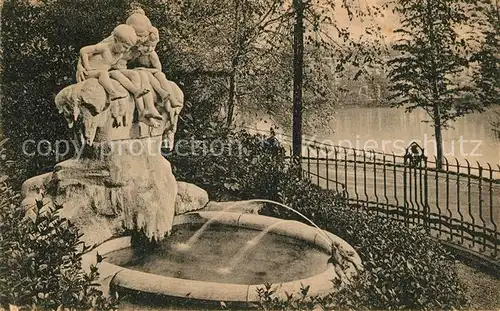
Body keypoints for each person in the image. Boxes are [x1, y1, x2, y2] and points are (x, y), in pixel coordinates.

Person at [76, 24, 137, 100]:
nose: (126, 50)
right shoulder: (104, 47)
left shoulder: (119, 55)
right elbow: (84, 50)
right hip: (88, 73)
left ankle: (135, 91)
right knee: (103, 73)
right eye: (124, 47)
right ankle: (113, 93)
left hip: (100, 74)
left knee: (116, 73)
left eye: (128, 48)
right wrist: (86, 66)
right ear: (115, 40)